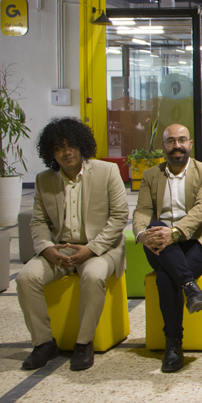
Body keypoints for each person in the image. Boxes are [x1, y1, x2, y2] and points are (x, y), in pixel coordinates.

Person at [17, 118, 129, 371]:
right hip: (60, 249)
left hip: (100, 248)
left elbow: (120, 217)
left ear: (82, 146)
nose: (66, 152)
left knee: (93, 276)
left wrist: (91, 249)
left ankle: (83, 343)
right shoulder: (44, 180)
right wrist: (47, 248)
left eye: (71, 145)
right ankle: (44, 343)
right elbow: (39, 222)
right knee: (25, 278)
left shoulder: (107, 171)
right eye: (59, 148)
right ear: (51, 153)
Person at [132, 124, 202, 373]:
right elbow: (142, 210)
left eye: (182, 140)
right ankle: (190, 287)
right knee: (154, 226)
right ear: (163, 146)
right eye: (171, 141)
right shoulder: (151, 175)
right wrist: (141, 234)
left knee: (166, 277)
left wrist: (175, 232)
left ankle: (173, 344)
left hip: (196, 242)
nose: (177, 146)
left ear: (190, 144)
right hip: (158, 244)